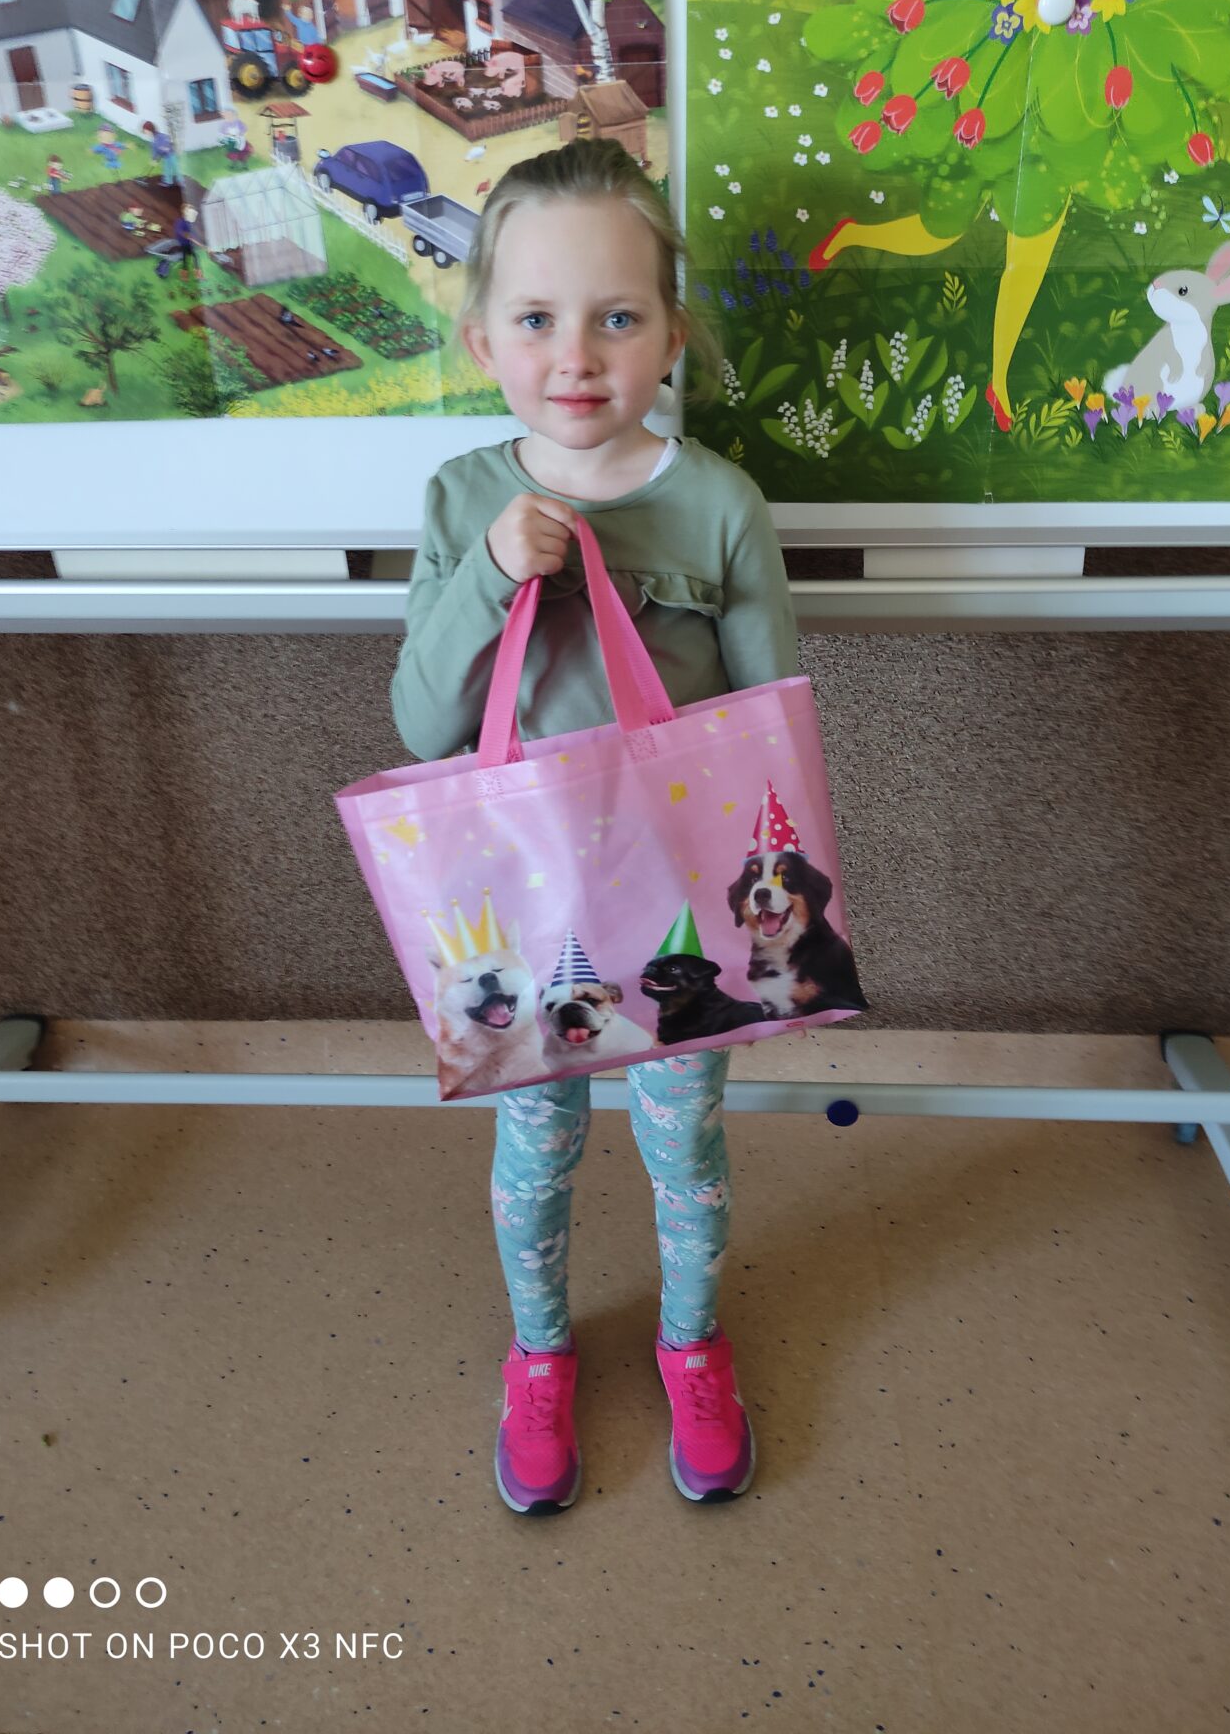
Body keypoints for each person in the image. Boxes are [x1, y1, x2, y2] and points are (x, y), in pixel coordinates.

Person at [391, 140, 799, 1517]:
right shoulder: (460, 499)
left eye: (616, 316)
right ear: (480, 340)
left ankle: (691, 1346)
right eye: (534, 318)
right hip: (518, 917)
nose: (574, 355)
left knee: (684, 1146)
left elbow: (770, 734)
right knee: (537, 1145)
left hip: (678, 907)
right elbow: (421, 721)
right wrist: (490, 574)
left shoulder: (719, 504)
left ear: (671, 334)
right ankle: (541, 1357)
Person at [803, 0, 1230, 427]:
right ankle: (852, 236)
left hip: (1088, 51)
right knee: (944, 229)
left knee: (1038, 226)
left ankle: (998, 377)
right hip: (1005, 45)